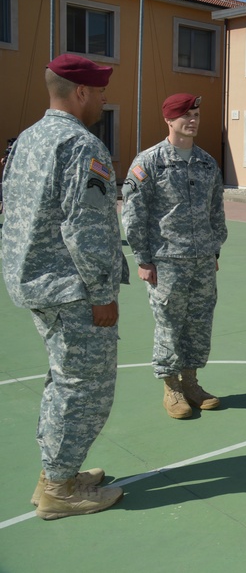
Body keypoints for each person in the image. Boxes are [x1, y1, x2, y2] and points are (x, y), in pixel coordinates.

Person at [2, 53, 128, 519]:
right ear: (80, 93)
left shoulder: (28, 139)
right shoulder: (81, 145)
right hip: (71, 288)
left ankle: (60, 472)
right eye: (99, 93)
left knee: (63, 380)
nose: (102, 100)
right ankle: (59, 487)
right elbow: (87, 229)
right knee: (85, 387)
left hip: (35, 281)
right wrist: (103, 294)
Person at [122, 94, 228, 419]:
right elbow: (133, 214)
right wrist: (143, 259)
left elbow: (216, 212)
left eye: (196, 114)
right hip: (166, 263)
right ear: (169, 119)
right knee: (168, 325)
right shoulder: (149, 162)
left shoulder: (207, 163)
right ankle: (172, 389)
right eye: (185, 115)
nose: (193, 120)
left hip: (202, 262)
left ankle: (192, 383)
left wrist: (214, 250)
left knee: (199, 324)